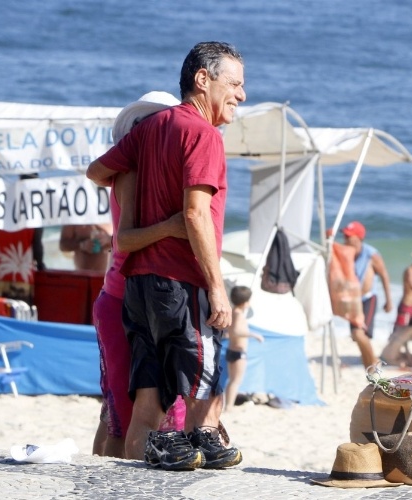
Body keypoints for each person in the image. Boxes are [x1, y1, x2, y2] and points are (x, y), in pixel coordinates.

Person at [86, 41, 245, 471]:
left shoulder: (149, 131)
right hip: (181, 281)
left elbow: (96, 171)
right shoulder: (203, 133)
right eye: (234, 84)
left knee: (148, 407)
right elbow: (195, 214)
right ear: (202, 79)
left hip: (138, 286)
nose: (242, 95)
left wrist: (139, 176)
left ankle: (131, 488)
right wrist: (217, 288)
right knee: (206, 404)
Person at [89, 92, 190, 459]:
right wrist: (172, 227)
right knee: (125, 414)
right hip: (122, 299)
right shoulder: (130, 171)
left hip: (139, 299)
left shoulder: (157, 176)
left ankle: (100, 483)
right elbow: (125, 242)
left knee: (117, 411)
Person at [341, 221, 393, 370]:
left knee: (359, 333)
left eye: (348, 236)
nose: (345, 239)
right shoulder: (346, 253)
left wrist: (388, 300)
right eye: (344, 236)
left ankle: (374, 364)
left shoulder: (371, 254)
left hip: (368, 299)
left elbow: (384, 275)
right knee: (356, 336)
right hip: (353, 300)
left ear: (358, 237)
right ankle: (368, 366)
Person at [223, 285, 264, 412]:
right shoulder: (239, 314)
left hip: (231, 350)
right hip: (238, 352)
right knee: (236, 381)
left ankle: (228, 404)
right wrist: (253, 334)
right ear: (245, 302)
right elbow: (236, 331)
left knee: (232, 381)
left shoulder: (233, 311)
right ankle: (229, 406)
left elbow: (229, 331)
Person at [0, 226, 45, 305]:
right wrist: (41, 264)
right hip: (23, 276)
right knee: (21, 314)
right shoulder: (33, 218)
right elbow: (37, 248)